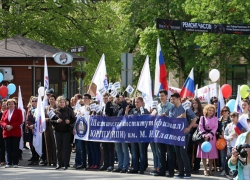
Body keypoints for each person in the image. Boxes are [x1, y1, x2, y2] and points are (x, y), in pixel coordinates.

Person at [169, 93, 197, 179]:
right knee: (177, 153)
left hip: (184, 134)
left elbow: (195, 118)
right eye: (171, 99)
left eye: (173, 99)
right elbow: (171, 121)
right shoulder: (172, 109)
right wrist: (180, 117)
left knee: (183, 152)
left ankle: (188, 172)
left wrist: (188, 128)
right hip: (175, 135)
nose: (172, 101)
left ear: (178, 98)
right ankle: (181, 172)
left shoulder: (186, 108)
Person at [152, 89, 175, 177]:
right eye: (159, 96)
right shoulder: (158, 106)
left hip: (168, 132)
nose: (161, 97)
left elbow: (174, 118)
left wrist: (167, 117)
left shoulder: (171, 106)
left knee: (169, 152)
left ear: (166, 96)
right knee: (160, 152)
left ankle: (171, 171)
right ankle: (162, 170)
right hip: (160, 132)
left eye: (162, 96)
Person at [126, 97, 149, 174]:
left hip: (142, 135)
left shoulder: (145, 111)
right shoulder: (133, 111)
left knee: (142, 152)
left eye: (138, 102)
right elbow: (127, 119)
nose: (136, 104)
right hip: (133, 134)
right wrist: (126, 112)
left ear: (142, 103)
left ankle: (142, 168)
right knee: (134, 152)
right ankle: (135, 167)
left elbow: (147, 122)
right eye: (135, 102)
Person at [51, 96, 76, 170]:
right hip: (57, 131)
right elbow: (51, 121)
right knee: (58, 148)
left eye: (63, 102)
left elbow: (74, 119)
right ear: (58, 103)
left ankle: (66, 164)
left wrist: (69, 121)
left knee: (66, 148)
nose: (62, 104)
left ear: (65, 103)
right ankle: (59, 163)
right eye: (60, 102)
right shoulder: (55, 111)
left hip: (66, 131)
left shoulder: (69, 110)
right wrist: (56, 121)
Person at [197, 104, 218, 176]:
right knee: (204, 154)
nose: (211, 112)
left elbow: (215, 127)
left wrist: (209, 135)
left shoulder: (215, 118)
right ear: (206, 110)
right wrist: (204, 135)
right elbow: (200, 127)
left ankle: (210, 169)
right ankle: (205, 170)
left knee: (211, 154)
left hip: (212, 137)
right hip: (203, 138)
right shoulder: (202, 118)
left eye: (212, 110)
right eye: (209, 110)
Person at [0, 99, 23, 168]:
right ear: (7, 105)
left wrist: (12, 126)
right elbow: (1, 121)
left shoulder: (18, 111)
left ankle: (15, 163)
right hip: (7, 132)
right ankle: (9, 163)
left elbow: (20, 121)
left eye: (12, 104)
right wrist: (6, 126)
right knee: (8, 148)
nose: (10, 105)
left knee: (15, 148)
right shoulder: (5, 112)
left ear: (14, 104)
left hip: (15, 132)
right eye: (9, 104)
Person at [74, 93, 91, 170]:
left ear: (89, 99)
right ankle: (83, 163)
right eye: (83, 98)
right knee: (82, 148)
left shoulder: (91, 107)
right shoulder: (81, 108)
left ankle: (89, 163)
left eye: (86, 98)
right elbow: (77, 119)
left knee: (88, 148)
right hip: (81, 130)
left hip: (88, 130)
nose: (84, 99)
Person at [100, 93, 114, 172]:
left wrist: (109, 102)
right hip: (103, 129)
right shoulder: (102, 107)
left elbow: (109, 113)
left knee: (110, 148)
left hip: (110, 129)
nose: (105, 100)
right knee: (104, 148)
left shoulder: (111, 106)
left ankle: (110, 164)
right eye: (104, 98)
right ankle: (105, 164)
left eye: (106, 98)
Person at [188, 97, 203, 174]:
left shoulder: (201, 112)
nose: (194, 104)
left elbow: (204, 123)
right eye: (193, 103)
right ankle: (189, 165)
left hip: (198, 132)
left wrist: (197, 125)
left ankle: (196, 167)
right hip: (191, 131)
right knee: (188, 149)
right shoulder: (190, 111)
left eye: (196, 103)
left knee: (197, 150)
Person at [44, 94, 57, 166]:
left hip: (54, 127)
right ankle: (48, 160)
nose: (51, 100)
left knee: (54, 144)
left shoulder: (56, 108)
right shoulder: (46, 108)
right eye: (50, 99)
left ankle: (55, 160)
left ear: (55, 100)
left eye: (52, 99)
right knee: (48, 144)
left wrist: (48, 119)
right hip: (47, 127)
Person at [217, 106, 231, 175]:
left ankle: (229, 170)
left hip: (229, 140)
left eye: (225, 111)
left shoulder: (231, 120)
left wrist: (227, 136)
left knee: (229, 155)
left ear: (228, 111)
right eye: (223, 111)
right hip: (221, 140)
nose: (224, 112)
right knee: (222, 156)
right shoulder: (219, 120)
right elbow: (216, 130)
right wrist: (219, 135)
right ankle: (223, 169)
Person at [26, 96, 39, 165]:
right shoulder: (30, 110)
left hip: (37, 130)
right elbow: (27, 119)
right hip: (31, 129)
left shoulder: (40, 109)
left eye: (35, 101)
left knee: (36, 143)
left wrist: (34, 126)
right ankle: (33, 156)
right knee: (31, 144)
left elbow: (40, 120)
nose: (34, 102)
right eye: (33, 101)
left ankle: (37, 158)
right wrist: (30, 126)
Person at [0, 101, 7, 166]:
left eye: (5, 105)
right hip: (0, 131)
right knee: (1, 146)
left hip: (7, 131)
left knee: (4, 147)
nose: (4, 106)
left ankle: (4, 160)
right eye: (3, 105)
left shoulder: (8, 113)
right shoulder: (0, 113)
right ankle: (2, 160)